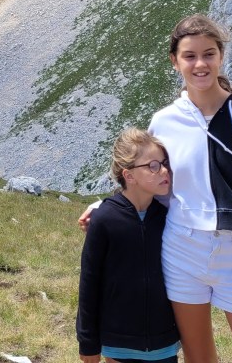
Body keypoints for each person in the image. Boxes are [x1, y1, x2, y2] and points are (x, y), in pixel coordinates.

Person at [80, 14, 232, 363]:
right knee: (198, 358)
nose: (200, 64)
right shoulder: (164, 121)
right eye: (189, 56)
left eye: (209, 54)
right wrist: (108, 206)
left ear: (221, 57)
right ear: (175, 61)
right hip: (181, 252)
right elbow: (149, 178)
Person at [77, 127, 180, 363]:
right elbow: (89, 282)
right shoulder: (104, 219)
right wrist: (88, 342)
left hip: (164, 342)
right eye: (153, 166)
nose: (164, 170)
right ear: (129, 176)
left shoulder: (167, 217)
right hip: (117, 343)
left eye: (164, 163)